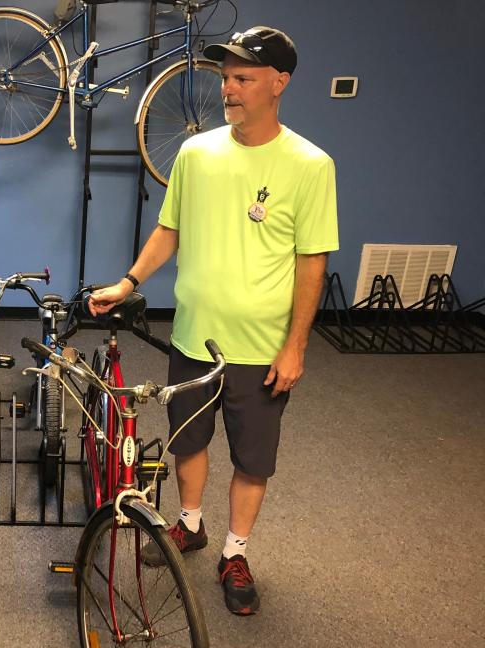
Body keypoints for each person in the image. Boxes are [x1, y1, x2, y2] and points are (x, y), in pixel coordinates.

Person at [89, 27, 338, 615]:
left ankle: (236, 551)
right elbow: (169, 229)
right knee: (188, 441)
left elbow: (312, 263)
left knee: (253, 458)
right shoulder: (195, 154)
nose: (228, 88)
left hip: (262, 346)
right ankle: (192, 523)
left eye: (244, 78)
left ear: (280, 83)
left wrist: (296, 345)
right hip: (192, 335)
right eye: (225, 77)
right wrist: (129, 282)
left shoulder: (309, 165)